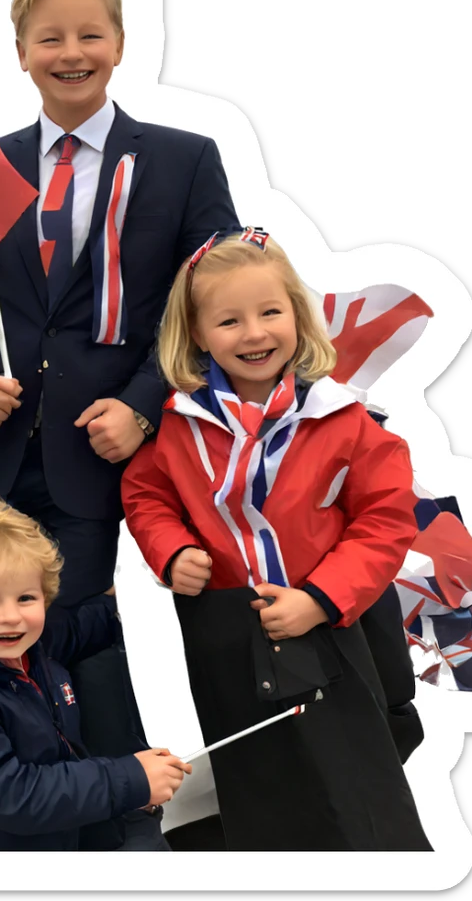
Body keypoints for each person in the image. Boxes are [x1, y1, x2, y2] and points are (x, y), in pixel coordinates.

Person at [0, 0, 239, 848]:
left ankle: (119, 828)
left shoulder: (182, 160)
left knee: (86, 645)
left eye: (88, 34)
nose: (72, 51)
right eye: (50, 37)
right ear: (21, 53)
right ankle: (6, 815)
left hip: (104, 457)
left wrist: (144, 400)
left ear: (122, 44)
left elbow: (207, 299)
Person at [121, 229, 432, 850]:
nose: (255, 333)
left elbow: (386, 520)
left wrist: (319, 597)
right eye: (229, 320)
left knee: (355, 785)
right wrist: (171, 551)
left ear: (297, 315)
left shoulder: (344, 419)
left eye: (270, 312)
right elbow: (145, 494)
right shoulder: (181, 425)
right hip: (228, 637)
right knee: (259, 780)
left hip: (335, 626)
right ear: (198, 334)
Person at [0, 495, 191, 850]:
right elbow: (17, 796)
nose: (11, 616)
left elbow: (76, 630)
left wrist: (124, 602)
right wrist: (130, 781)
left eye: (26, 598)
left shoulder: (31, 652)